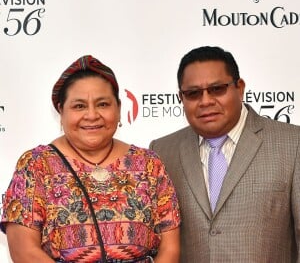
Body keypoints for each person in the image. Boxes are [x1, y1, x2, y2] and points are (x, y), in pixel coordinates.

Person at [0, 55, 181, 263]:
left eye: (103, 104)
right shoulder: (36, 165)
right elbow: (24, 251)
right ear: (61, 110)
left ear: (119, 108)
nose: (92, 115)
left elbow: (170, 248)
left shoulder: (149, 164)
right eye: (79, 106)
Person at [149, 46, 300, 263]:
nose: (206, 101)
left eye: (217, 89)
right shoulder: (162, 151)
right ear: (181, 97)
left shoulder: (292, 144)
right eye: (193, 93)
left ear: (240, 88)